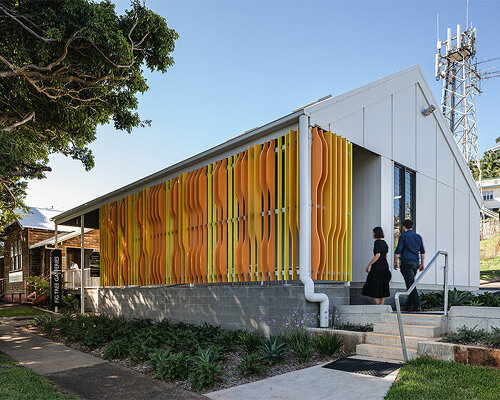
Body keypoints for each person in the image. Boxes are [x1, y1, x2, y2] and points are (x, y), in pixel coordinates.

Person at [394, 219, 425, 312]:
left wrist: (395, 262)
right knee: (410, 283)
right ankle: (409, 305)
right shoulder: (418, 237)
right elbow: (422, 252)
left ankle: (416, 305)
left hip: (406, 263)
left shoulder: (403, 236)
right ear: (412, 226)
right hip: (415, 263)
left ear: (404, 227)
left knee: (410, 284)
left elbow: (398, 251)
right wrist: (422, 263)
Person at [362, 227, 391, 304]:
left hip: (377, 267)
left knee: (373, 285)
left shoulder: (377, 243)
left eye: (373, 232)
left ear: (375, 233)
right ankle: (382, 305)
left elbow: (377, 255)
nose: (372, 234)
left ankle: (378, 305)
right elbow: (385, 256)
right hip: (385, 266)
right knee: (383, 285)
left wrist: (369, 265)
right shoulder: (385, 243)